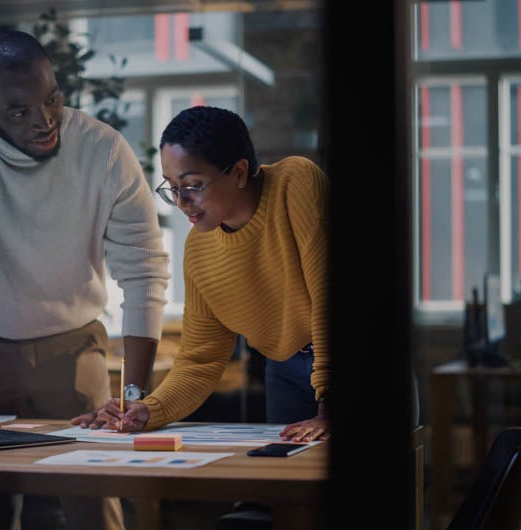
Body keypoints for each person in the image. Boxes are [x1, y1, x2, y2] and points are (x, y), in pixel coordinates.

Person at [0, 30, 169, 530]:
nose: (44, 121)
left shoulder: (104, 150)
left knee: (94, 500)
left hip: (75, 348)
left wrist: (133, 399)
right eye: (19, 111)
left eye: (52, 100)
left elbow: (145, 270)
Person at [72, 105, 330, 443]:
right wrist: (148, 409)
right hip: (284, 369)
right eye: (171, 187)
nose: (180, 202)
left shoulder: (295, 182)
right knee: (289, 485)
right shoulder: (199, 248)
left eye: (192, 185)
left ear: (239, 173)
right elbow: (201, 358)